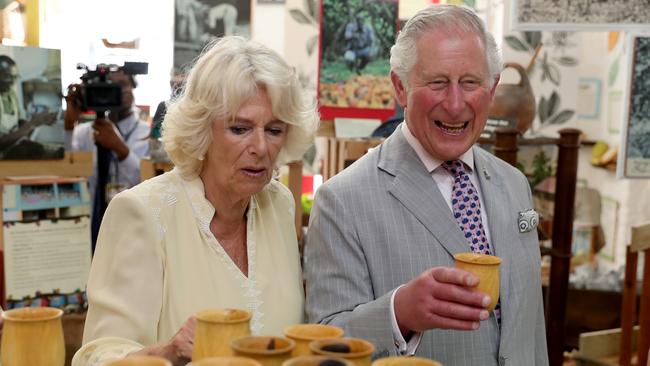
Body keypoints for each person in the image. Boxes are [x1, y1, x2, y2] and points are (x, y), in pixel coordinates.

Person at [304, 5, 548, 365]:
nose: (454, 104)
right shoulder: (341, 200)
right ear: (400, 87)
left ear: (493, 88)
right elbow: (325, 343)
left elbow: (527, 329)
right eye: (437, 83)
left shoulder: (513, 185)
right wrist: (398, 313)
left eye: (470, 83)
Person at [72, 36, 318, 366]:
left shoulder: (280, 205)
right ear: (202, 129)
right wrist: (168, 352)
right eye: (240, 128)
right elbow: (97, 356)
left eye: (274, 130)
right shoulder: (143, 213)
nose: (260, 147)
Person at [64, 70, 150, 250]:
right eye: (111, 86)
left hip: (133, 230)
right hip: (87, 228)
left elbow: (149, 185)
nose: (120, 91)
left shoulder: (148, 134)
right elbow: (67, 173)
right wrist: (69, 125)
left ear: (133, 86)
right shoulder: (83, 133)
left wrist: (121, 150)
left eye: (124, 84)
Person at [0, 55, 57, 159]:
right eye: (8, 76)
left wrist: (40, 121)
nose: (13, 82)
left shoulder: (10, 94)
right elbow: (1, 142)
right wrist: (32, 123)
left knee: (55, 152)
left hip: (13, 148)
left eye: (15, 77)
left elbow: (20, 123)